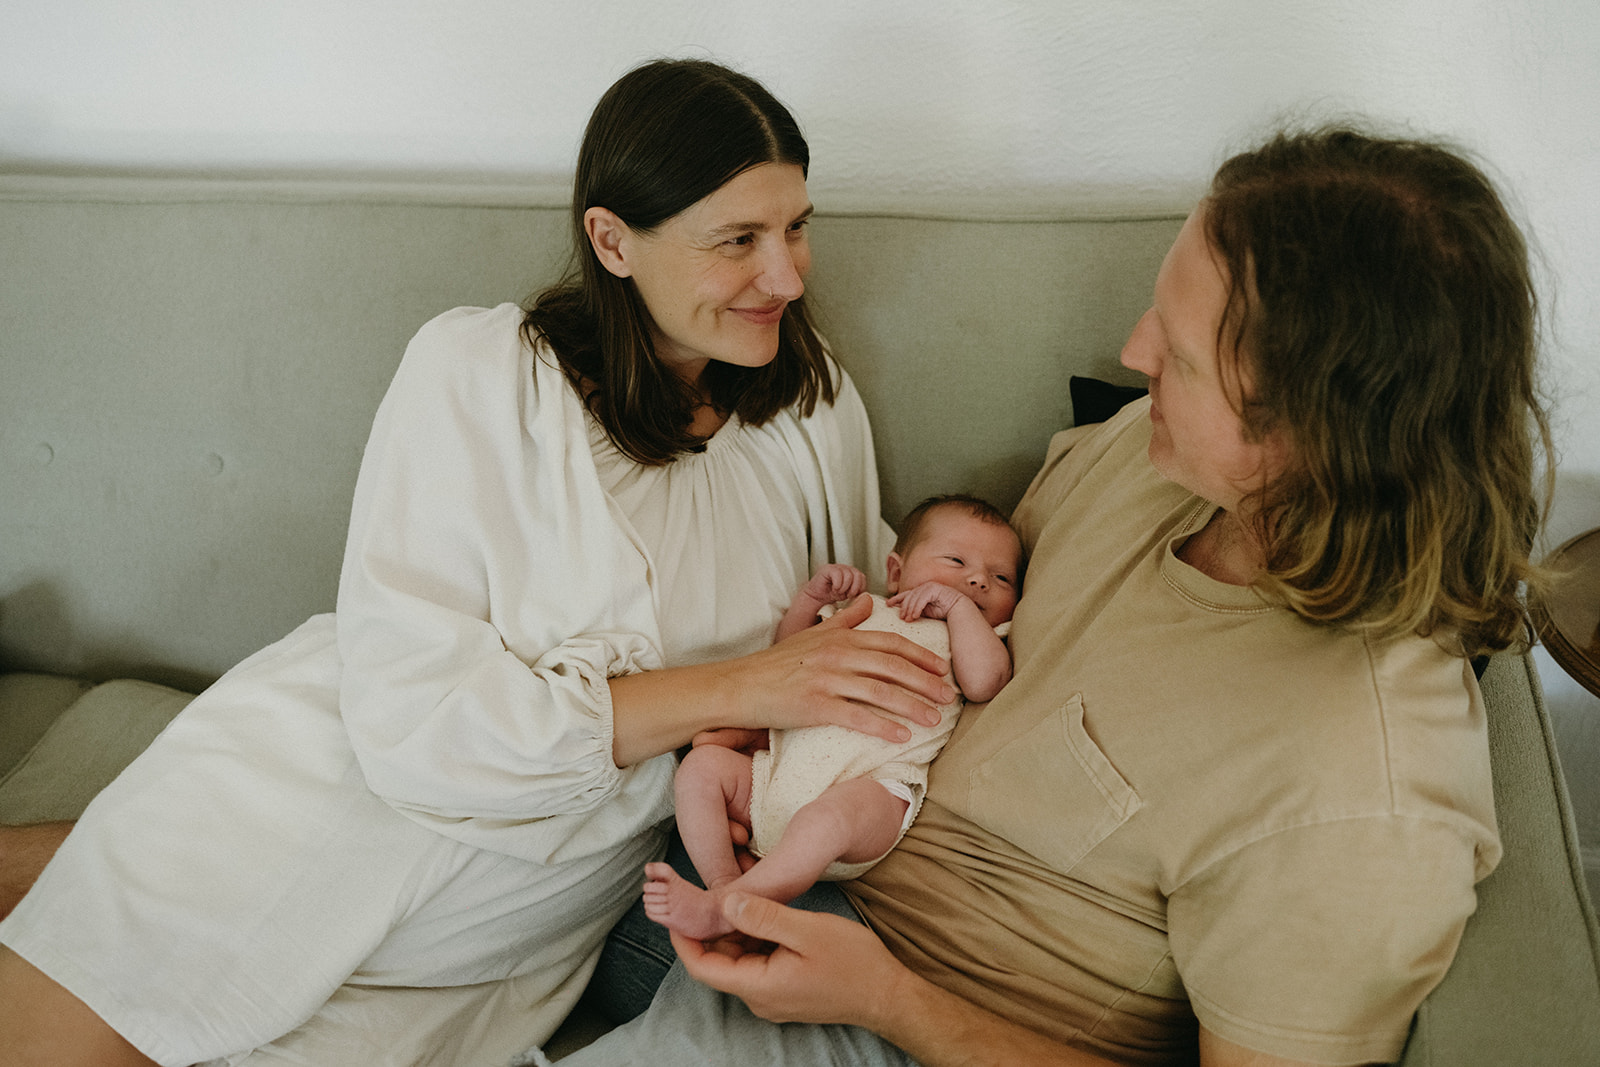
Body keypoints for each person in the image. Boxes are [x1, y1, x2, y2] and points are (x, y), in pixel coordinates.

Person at [0, 59, 957, 1067]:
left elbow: (852, 638)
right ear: (611, 239)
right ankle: (96, 854)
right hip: (331, 792)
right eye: (739, 240)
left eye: (797, 225)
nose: (789, 276)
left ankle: (64, 852)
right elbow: (416, 716)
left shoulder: (809, 414)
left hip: (520, 904)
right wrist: (738, 683)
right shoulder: (484, 373)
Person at [556, 125, 1553, 1067]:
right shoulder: (1157, 459)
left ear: (1318, 437)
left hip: (902, 1014)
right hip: (767, 853)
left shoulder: (1356, 794)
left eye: (1183, 351)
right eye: (1159, 308)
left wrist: (887, 999)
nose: (1131, 352)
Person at [645, 495, 1022, 941]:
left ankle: (735, 909)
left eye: (1001, 578)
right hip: (773, 778)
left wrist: (957, 608)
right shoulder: (863, 609)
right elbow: (788, 658)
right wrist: (811, 600)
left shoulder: (974, 634)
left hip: (873, 789)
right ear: (897, 572)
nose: (978, 580)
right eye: (956, 561)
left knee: (828, 819)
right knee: (701, 768)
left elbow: (986, 682)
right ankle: (723, 883)